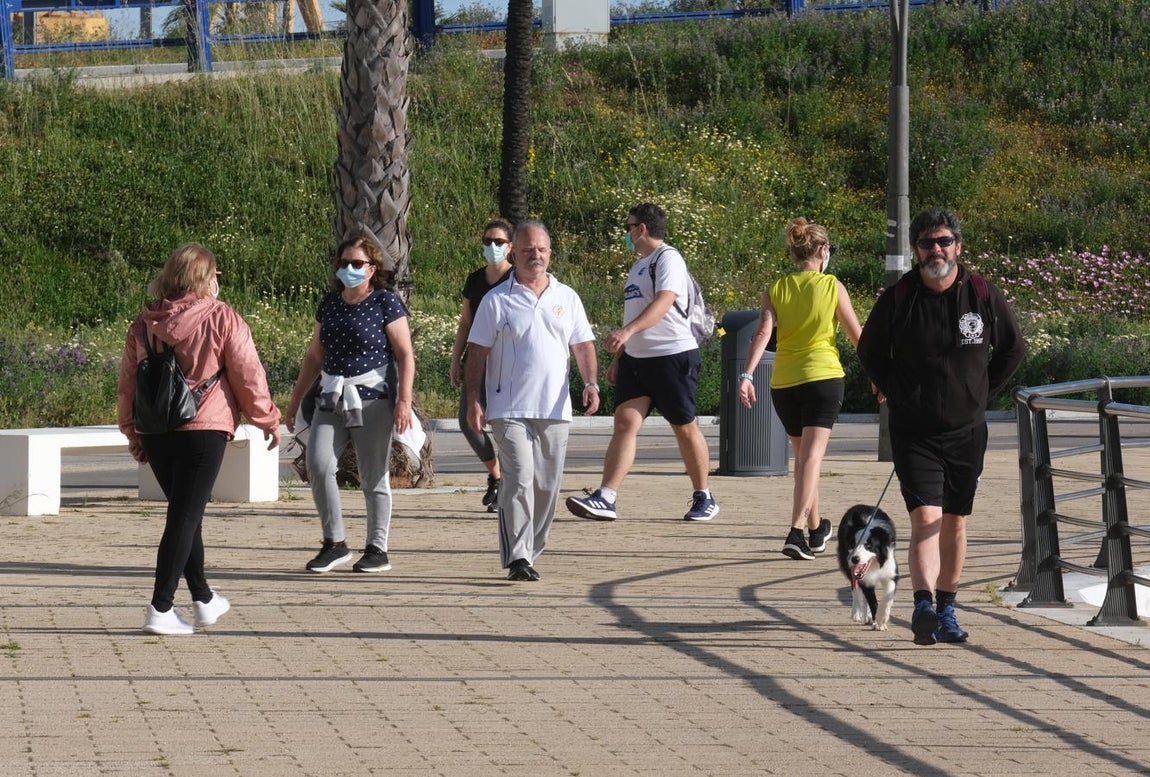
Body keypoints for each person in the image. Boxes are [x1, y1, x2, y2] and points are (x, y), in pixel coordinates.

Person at [857, 207, 1025, 645]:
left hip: (967, 431)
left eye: (944, 241)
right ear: (916, 250)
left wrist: (982, 392)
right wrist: (892, 388)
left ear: (958, 246)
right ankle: (923, 606)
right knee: (925, 516)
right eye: (928, 243)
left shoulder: (983, 294)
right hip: (914, 432)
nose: (937, 249)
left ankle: (947, 608)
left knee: (954, 520)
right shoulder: (899, 297)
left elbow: (1013, 349)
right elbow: (870, 351)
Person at [118, 243, 281, 636]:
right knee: (184, 516)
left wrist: (130, 429)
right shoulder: (222, 318)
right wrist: (267, 418)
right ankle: (160, 608)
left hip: (156, 430)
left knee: (186, 515)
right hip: (204, 427)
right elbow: (247, 374)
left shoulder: (143, 324)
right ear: (203, 278)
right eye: (214, 274)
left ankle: (205, 600)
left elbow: (128, 384)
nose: (217, 281)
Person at [565, 202, 718, 523]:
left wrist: (627, 332)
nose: (626, 232)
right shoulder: (638, 266)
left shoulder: (668, 258)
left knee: (683, 426)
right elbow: (634, 314)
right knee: (624, 423)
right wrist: (620, 358)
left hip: (673, 356)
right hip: (638, 360)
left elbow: (664, 301)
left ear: (642, 229)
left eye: (628, 226)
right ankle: (606, 496)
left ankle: (704, 496)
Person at [466, 219, 599, 581]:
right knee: (520, 479)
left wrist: (591, 383)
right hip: (507, 408)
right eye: (527, 250)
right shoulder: (497, 299)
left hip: (554, 409)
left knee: (546, 487)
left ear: (550, 253)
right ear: (514, 252)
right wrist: (473, 399)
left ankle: (531, 550)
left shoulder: (567, 297)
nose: (535, 256)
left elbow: (582, 344)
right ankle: (518, 557)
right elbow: (476, 352)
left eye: (541, 249)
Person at [285, 237, 415, 575]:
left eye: (357, 263)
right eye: (344, 263)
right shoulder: (330, 303)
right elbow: (314, 356)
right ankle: (335, 542)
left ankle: (377, 548)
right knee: (318, 462)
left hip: (372, 399)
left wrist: (403, 400)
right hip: (331, 396)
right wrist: (295, 399)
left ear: (372, 269)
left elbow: (404, 354)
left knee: (373, 477)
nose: (349, 269)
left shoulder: (385, 302)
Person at [738, 217, 862, 560]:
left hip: (785, 382)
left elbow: (763, 334)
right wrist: (879, 375)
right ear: (822, 251)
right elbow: (856, 336)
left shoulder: (775, 287)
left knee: (804, 458)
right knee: (811, 458)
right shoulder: (831, 286)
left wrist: (747, 375)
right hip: (822, 376)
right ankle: (795, 532)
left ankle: (816, 527)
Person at [449, 218, 514, 513]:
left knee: (504, 425)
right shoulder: (475, 279)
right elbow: (465, 322)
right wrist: (455, 359)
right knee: (469, 422)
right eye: (488, 241)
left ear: (510, 246)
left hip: (507, 364)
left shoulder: (517, 279)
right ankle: (496, 474)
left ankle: (509, 486)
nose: (492, 247)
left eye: (498, 242)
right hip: (476, 361)